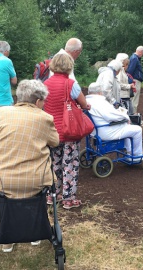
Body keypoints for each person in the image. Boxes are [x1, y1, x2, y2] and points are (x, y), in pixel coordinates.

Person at [0, 79, 59, 252]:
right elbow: (55, 141)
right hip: (35, 180)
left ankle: (7, 241)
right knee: (36, 191)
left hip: (1, 180)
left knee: (4, 195)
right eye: (43, 101)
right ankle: (35, 234)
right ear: (38, 101)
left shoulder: (3, 113)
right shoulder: (45, 118)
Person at [44, 53, 91, 210]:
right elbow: (83, 104)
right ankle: (68, 199)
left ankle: (52, 195)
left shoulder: (46, 84)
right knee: (69, 163)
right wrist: (86, 106)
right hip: (68, 131)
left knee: (54, 163)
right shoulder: (71, 84)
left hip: (51, 131)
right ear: (69, 67)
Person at [86, 82, 143, 160]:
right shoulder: (100, 102)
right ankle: (136, 155)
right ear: (100, 92)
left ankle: (129, 151)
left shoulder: (87, 101)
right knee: (137, 130)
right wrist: (125, 116)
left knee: (127, 127)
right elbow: (111, 116)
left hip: (94, 131)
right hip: (106, 131)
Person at [126, 46, 143, 114]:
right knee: (134, 99)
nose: (142, 55)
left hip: (134, 80)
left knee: (133, 98)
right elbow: (130, 71)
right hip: (135, 81)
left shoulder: (134, 58)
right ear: (140, 52)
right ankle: (133, 114)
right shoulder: (135, 58)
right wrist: (131, 81)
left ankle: (132, 113)